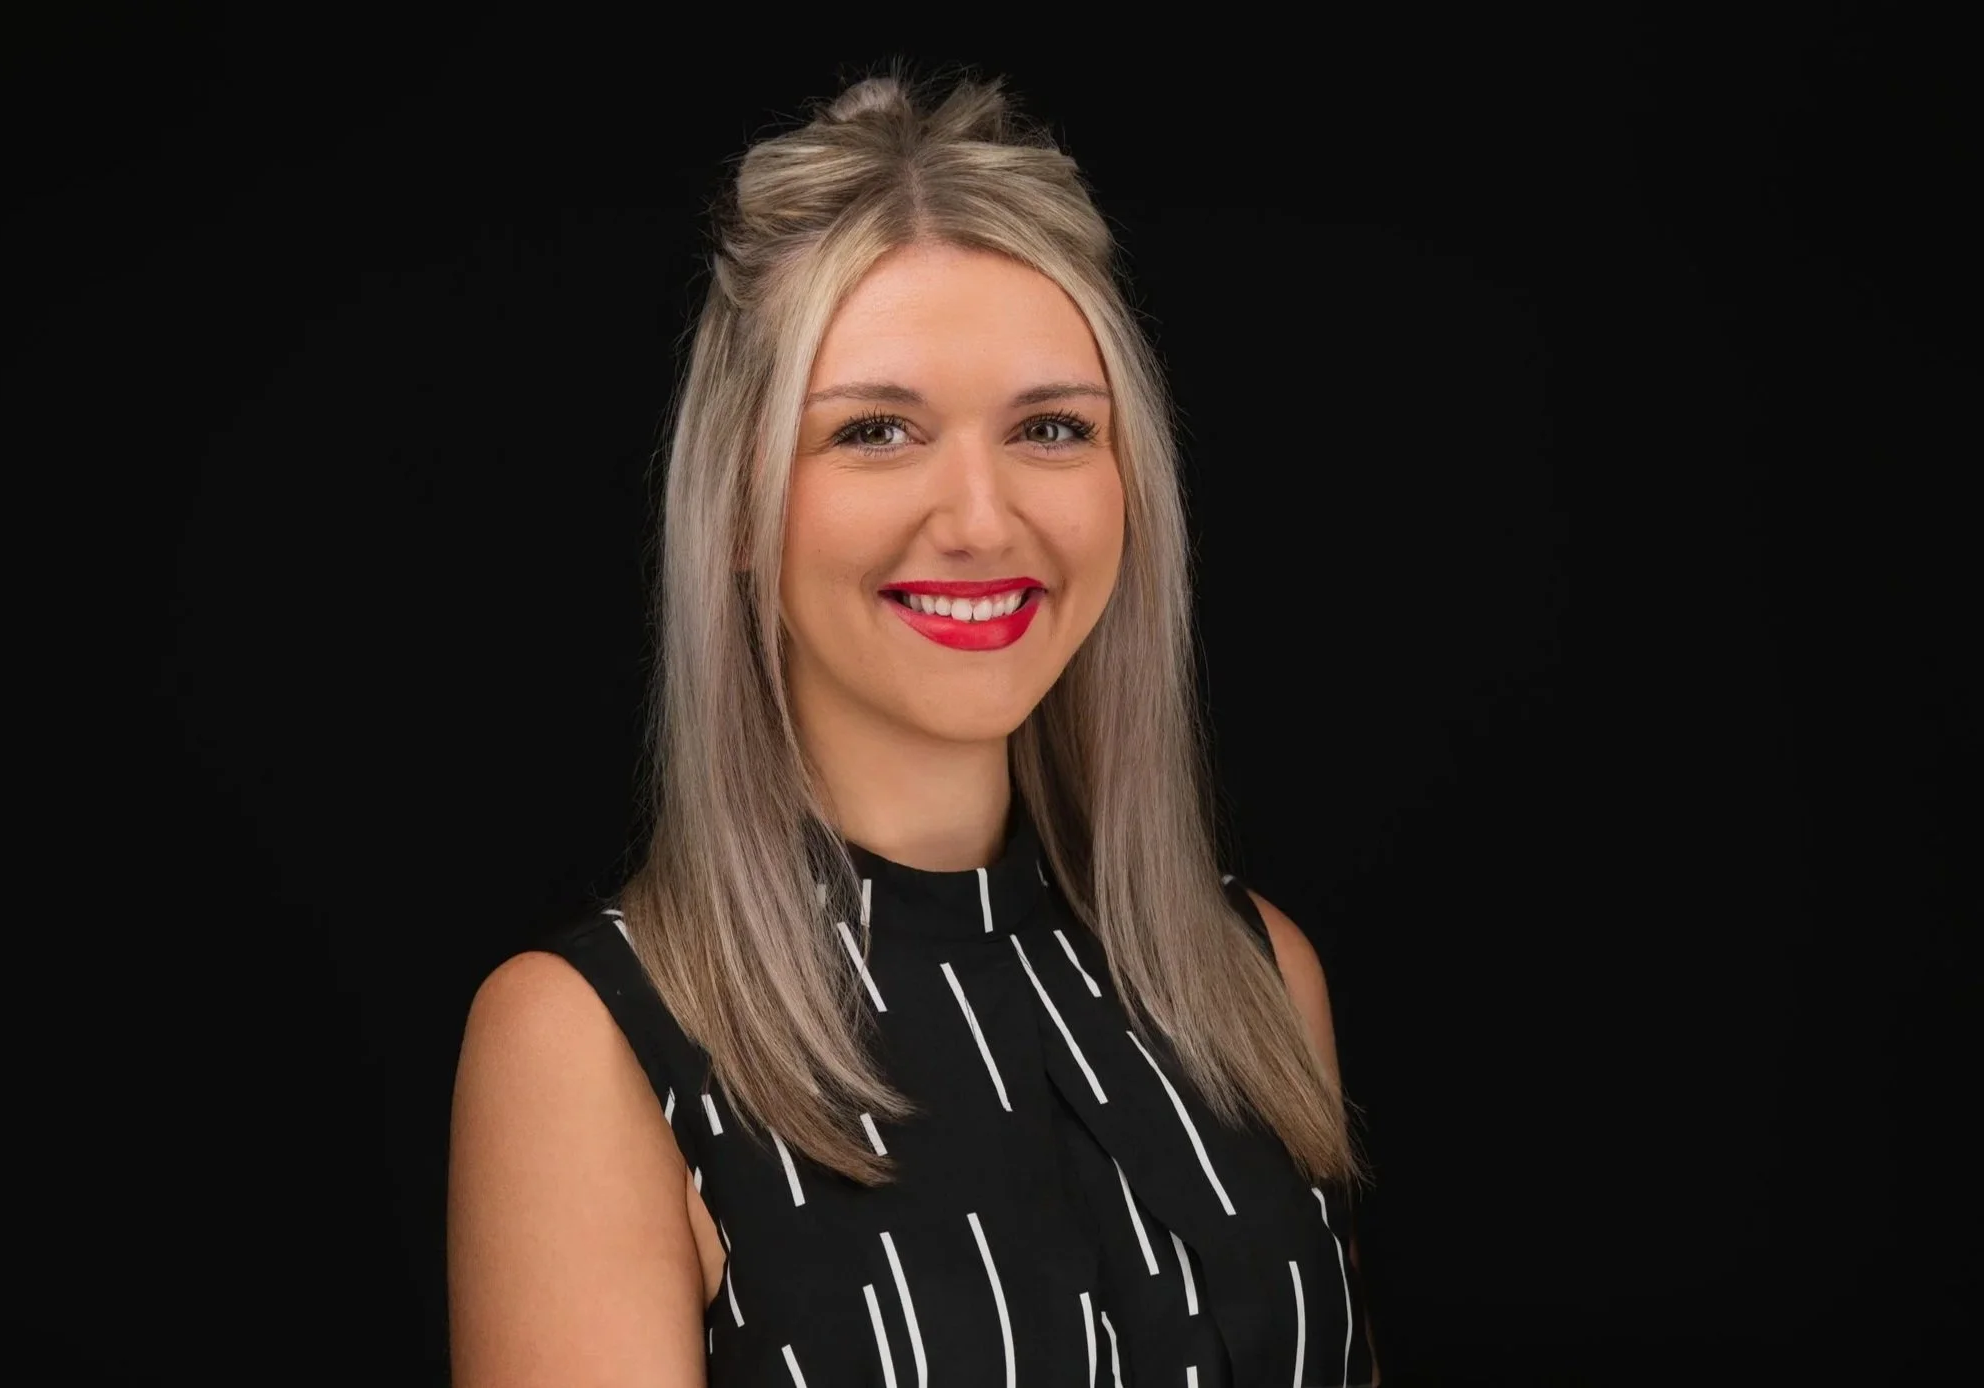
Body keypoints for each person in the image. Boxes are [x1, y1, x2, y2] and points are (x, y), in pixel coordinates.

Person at [447, 70, 1377, 1387]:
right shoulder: (589, 1043)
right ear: (735, 509)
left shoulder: (1250, 974)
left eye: (1051, 428)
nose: (982, 518)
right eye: (876, 432)